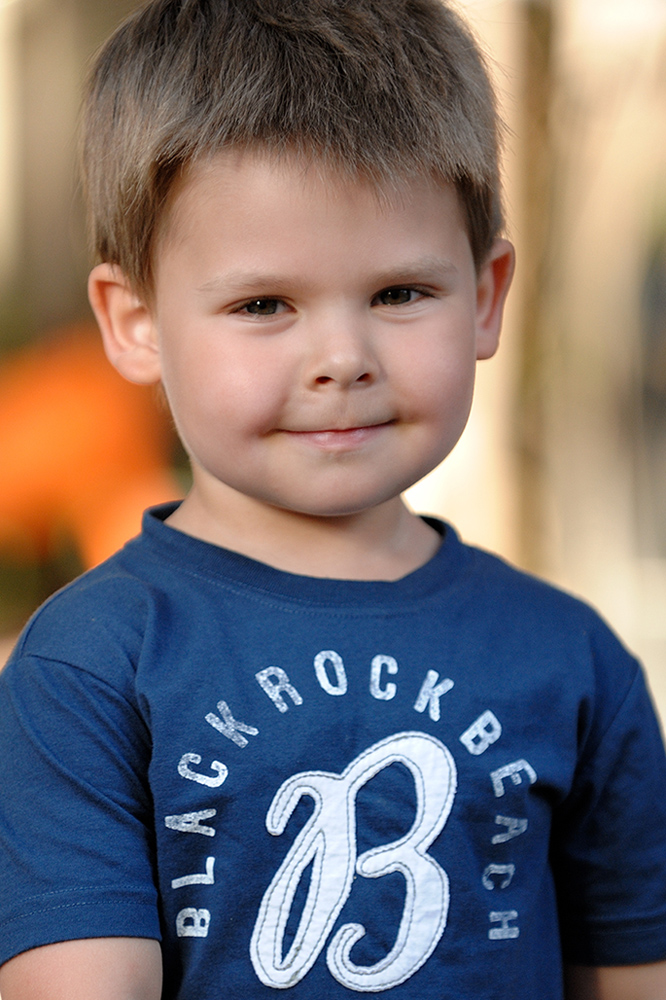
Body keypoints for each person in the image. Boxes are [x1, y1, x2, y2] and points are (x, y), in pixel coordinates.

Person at [0, 0, 665, 997]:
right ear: (135, 321)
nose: (343, 360)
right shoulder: (87, 670)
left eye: (401, 293)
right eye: (264, 304)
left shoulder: (574, 662)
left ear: (485, 297)